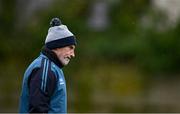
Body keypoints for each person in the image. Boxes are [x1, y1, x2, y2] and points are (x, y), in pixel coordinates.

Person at [19, 17, 77, 113]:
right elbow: (37, 110)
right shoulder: (44, 69)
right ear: (58, 45)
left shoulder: (54, 68)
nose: (73, 54)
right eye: (70, 47)